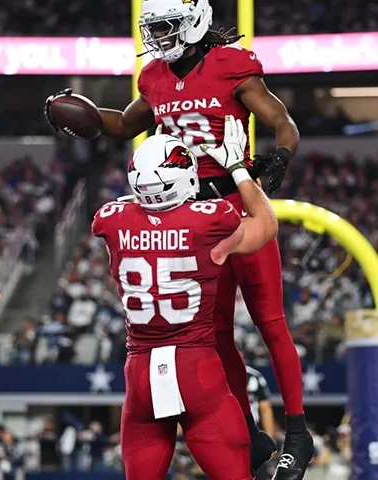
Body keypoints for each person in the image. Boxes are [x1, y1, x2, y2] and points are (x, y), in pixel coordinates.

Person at [45, 0, 312, 476]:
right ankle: (247, 430)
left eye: (166, 27)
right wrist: (84, 116)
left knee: (270, 321)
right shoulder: (154, 77)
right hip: (188, 212)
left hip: (234, 198)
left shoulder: (231, 65)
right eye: (153, 29)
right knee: (215, 334)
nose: (158, 38)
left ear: (193, 22)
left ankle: (297, 433)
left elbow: (282, 121)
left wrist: (282, 156)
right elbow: (127, 124)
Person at [91, 119, 277, 480]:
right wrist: (238, 169)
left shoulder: (112, 220)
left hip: (141, 373)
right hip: (197, 369)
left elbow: (133, 212)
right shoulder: (209, 222)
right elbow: (266, 224)